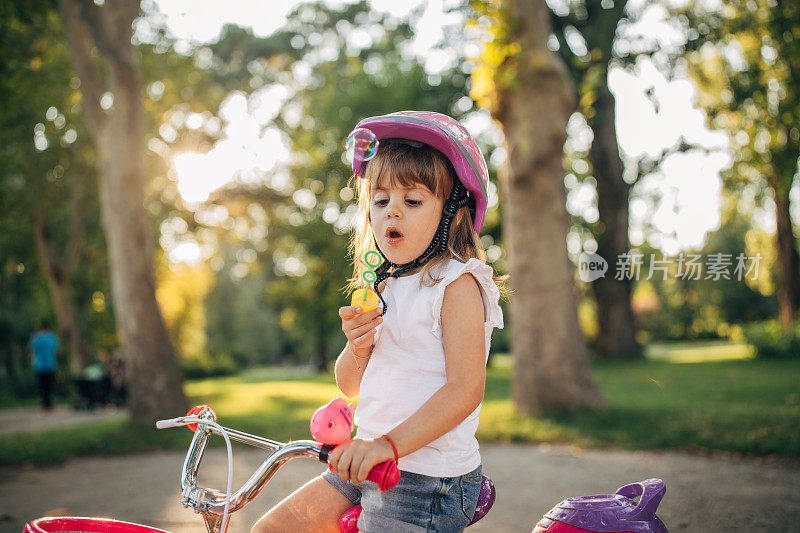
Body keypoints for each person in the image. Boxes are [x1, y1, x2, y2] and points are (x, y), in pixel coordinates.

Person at [252, 111, 505, 533]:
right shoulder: (383, 288)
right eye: (381, 200)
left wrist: (386, 447)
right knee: (271, 529)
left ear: (454, 214)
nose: (392, 213)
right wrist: (357, 347)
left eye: (412, 201)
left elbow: (466, 390)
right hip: (369, 462)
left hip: (427, 480)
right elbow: (351, 386)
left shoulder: (457, 284)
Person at [29, 321, 59, 411]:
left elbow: (32, 352)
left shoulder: (36, 338)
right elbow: (56, 352)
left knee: (42, 386)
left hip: (40, 365)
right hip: (51, 364)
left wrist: (32, 362)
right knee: (49, 385)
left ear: (40, 328)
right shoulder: (52, 338)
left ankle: (44, 404)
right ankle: (49, 403)